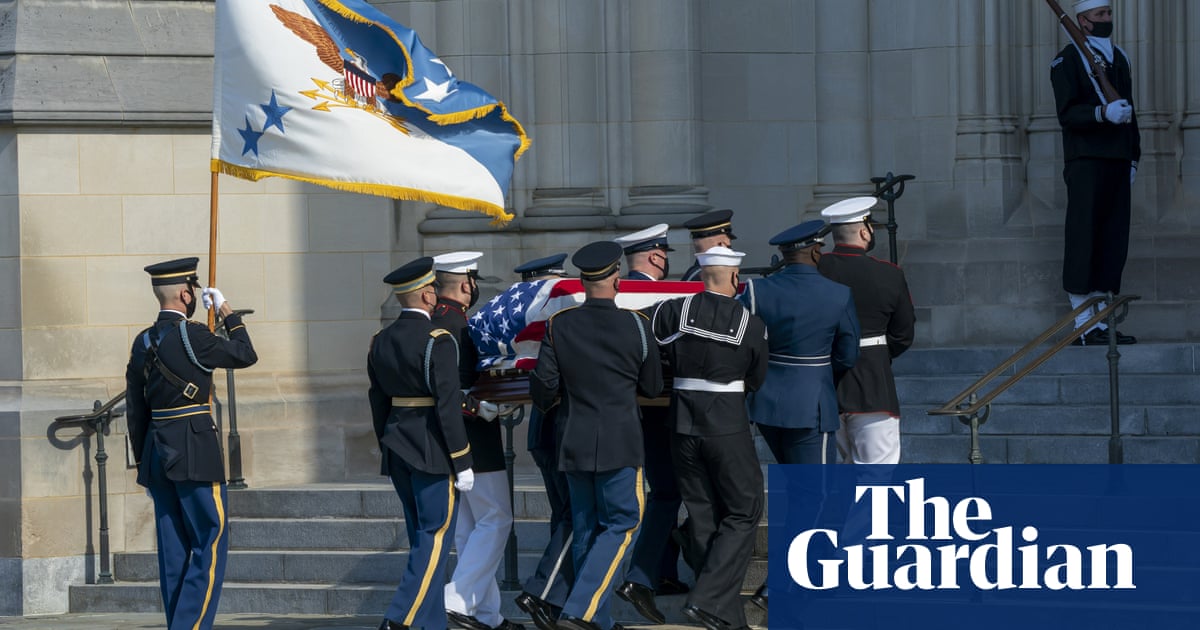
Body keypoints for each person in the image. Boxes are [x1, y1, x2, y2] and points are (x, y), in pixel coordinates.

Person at [530, 241, 663, 630]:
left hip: (573, 437)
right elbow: (653, 387)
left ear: (584, 281)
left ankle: (598, 620)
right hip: (621, 439)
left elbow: (544, 388)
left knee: (587, 527)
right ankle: (582, 611)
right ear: (617, 277)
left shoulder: (559, 324)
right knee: (623, 522)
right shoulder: (637, 325)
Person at [125, 257, 258, 630]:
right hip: (194, 447)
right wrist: (228, 312)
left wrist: (144, 462)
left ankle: (179, 623)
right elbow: (246, 354)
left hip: (156, 451)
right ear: (186, 294)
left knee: (173, 551)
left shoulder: (143, 340)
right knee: (210, 540)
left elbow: (136, 408)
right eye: (196, 292)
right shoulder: (194, 335)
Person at [739, 220, 859, 611]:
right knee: (816, 497)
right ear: (815, 251)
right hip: (811, 404)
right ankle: (781, 583)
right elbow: (848, 354)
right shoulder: (838, 293)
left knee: (801, 491)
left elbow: (744, 344)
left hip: (768, 404)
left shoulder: (757, 290)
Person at [650, 246, 768, 630]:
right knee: (744, 509)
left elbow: (648, 342)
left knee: (702, 514)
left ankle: (726, 615)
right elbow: (757, 375)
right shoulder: (750, 323)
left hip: (681, 421)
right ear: (736, 279)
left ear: (701, 275)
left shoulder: (671, 311)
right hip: (727, 423)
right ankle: (706, 599)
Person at [369, 257, 475, 630]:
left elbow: (377, 399)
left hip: (398, 445)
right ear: (428, 294)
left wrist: (387, 444)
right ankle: (398, 617)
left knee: (421, 537)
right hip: (432, 450)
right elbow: (447, 406)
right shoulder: (438, 340)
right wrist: (462, 460)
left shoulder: (381, 340)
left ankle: (432, 624)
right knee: (434, 537)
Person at [432, 252, 524, 630]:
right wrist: (480, 407)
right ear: (467, 284)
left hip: (449, 433)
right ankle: (455, 598)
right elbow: (450, 386)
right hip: (472, 433)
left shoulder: (437, 320)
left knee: (471, 527)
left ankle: (486, 614)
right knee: (498, 517)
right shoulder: (456, 326)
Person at [1050, 0, 1140, 345]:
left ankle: (1102, 319)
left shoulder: (1120, 57)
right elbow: (1068, 113)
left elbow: (1131, 110)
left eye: (1109, 14)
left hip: (1116, 159)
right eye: (1100, 15)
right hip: (1086, 159)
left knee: (1113, 238)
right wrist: (1101, 113)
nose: (1107, 20)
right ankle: (1083, 322)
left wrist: (1133, 156)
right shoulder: (1067, 59)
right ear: (1082, 21)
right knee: (1084, 234)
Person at [612, 225, 687, 624]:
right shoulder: (659, 299)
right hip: (659, 406)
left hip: (630, 408)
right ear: (657, 257)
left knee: (666, 489)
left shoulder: (620, 295)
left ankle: (664, 572)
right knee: (668, 491)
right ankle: (642, 574)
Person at [818, 197, 916, 465]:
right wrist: (878, 352)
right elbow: (904, 333)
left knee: (844, 476)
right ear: (864, 230)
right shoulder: (889, 274)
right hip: (873, 384)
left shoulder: (817, 270)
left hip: (827, 383)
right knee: (877, 476)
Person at [511, 254, 575, 630]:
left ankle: (556, 597)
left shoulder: (532, 320)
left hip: (543, 432)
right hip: (559, 430)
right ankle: (542, 591)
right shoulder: (552, 320)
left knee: (562, 515)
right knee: (574, 517)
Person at [679, 209, 736, 281]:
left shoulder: (693, 273)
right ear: (722, 244)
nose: (729, 243)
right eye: (728, 246)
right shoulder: (713, 277)